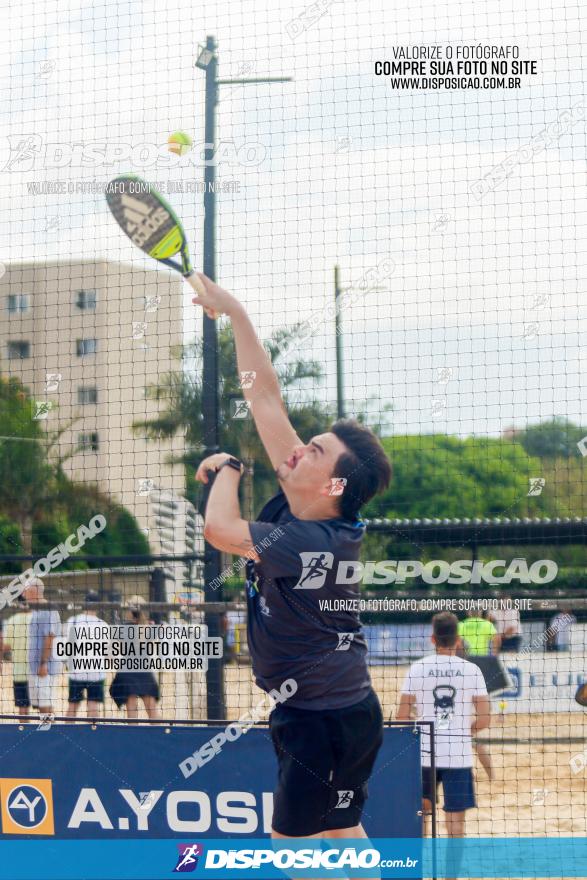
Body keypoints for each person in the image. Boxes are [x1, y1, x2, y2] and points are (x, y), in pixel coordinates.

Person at [190, 273, 392, 843]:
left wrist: (228, 468)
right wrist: (235, 311)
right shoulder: (313, 497)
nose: (301, 447)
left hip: (322, 721)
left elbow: (219, 528)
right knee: (341, 836)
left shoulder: (311, 542)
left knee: (293, 846)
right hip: (335, 713)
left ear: (332, 483)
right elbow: (263, 394)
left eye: (317, 450)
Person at [397, 612, 491, 843]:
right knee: (456, 826)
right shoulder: (472, 670)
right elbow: (485, 718)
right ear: (458, 639)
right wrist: (461, 731)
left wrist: (422, 729)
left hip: (425, 755)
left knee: (421, 818)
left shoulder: (417, 668)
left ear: (432, 639)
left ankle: (416, 873)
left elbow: (401, 717)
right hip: (458, 757)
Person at [109, 596, 160, 719]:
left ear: (129, 610)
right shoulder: (150, 627)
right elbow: (152, 649)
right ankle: (159, 736)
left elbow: (113, 651)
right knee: (152, 710)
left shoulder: (122, 628)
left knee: (131, 711)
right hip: (144, 670)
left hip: (127, 670)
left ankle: (133, 737)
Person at [65, 591, 108, 719]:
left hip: (77, 670)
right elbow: (105, 651)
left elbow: (69, 646)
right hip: (95, 670)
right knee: (93, 705)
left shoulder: (73, 621)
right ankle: (92, 736)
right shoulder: (102, 624)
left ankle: (67, 733)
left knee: (73, 705)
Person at [26, 578, 61, 715]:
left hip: (45, 668)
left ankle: (50, 734)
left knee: (46, 704)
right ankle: (45, 732)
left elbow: (50, 637)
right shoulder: (35, 610)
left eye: (25, 590)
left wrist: (43, 664)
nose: (23, 594)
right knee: (40, 705)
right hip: (35, 667)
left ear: (33, 591)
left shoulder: (48, 608)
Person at [3, 595, 32, 716]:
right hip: (36, 672)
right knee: (43, 708)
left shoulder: (12, 620)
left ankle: (25, 733)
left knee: (22, 707)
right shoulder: (37, 619)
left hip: (19, 673)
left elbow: (6, 647)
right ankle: (46, 734)